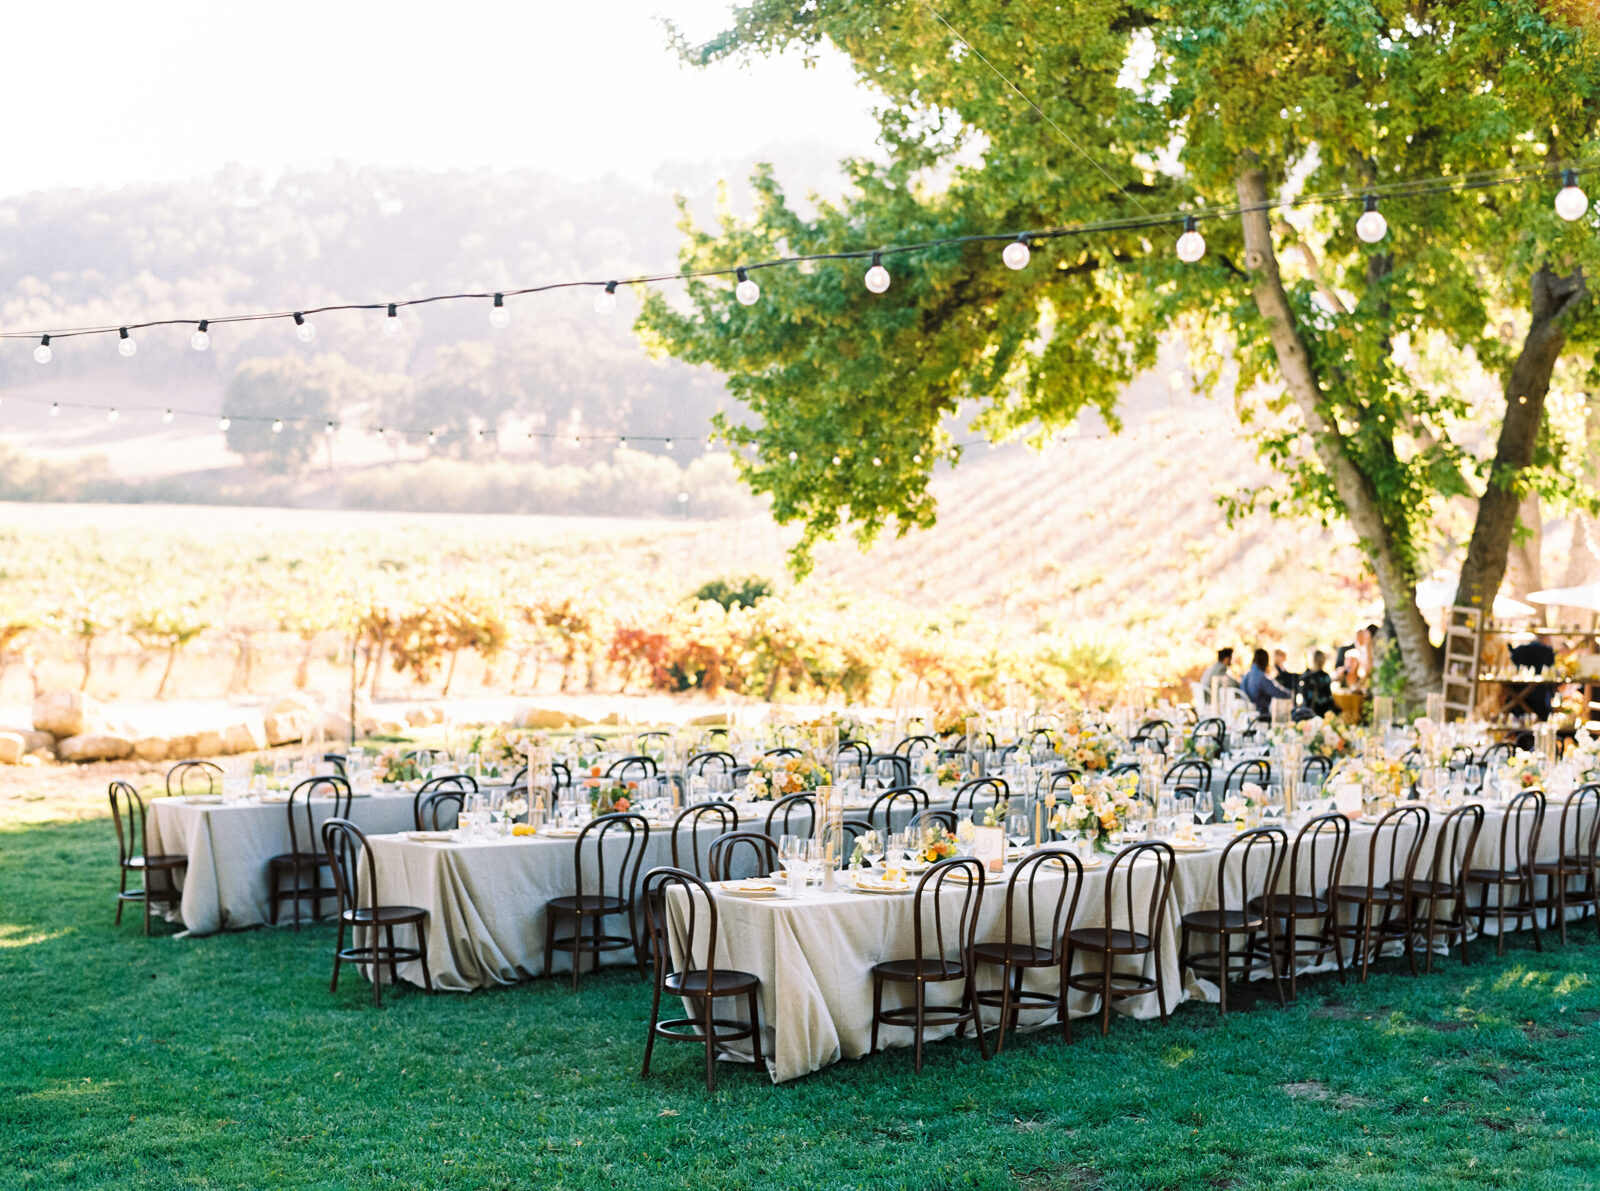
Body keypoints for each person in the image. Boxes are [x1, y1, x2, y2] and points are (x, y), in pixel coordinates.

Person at [1508, 633, 1558, 720]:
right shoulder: (1548, 651)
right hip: (1540, 692)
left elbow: (1513, 663)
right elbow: (1551, 669)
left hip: (1520, 689)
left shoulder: (1520, 650)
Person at [1241, 647, 1294, 720]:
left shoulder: (1245, 676)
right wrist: (1291, 694)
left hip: (1247, 715)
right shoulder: (1261, 677)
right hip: (1261, 716)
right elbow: (1277, 692)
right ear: (1265, 661)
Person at [1298, 650, 1337, 717]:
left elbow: (1301, 689)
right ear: (1323, 661)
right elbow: (1328, 695)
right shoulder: (1325, 676)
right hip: (1321, 709)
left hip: (1307, 708)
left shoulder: (1307, 675)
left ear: (1313, 660)